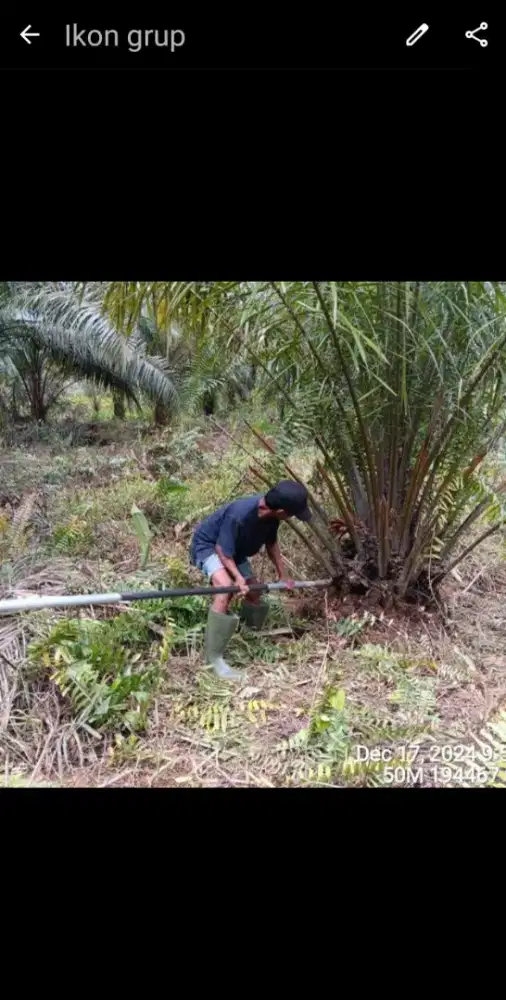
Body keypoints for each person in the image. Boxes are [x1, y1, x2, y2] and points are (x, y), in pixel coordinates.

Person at [190, 480, 312, 681]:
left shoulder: (272, 517)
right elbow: (222, 550)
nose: (291, 518)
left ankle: (248, 634)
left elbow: (271, 544)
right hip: (209, 546)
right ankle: (213, 659)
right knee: (225, 589)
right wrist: (237, 579)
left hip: (234, 552)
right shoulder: (240, 514)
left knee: (254, 591)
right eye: (292, 514)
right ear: (281, 511)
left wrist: (283, 574)